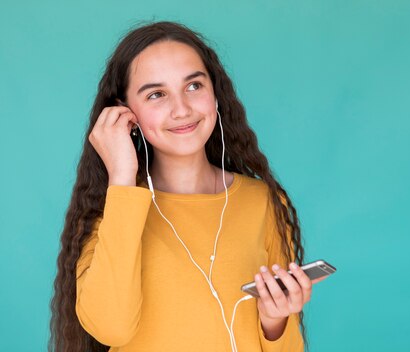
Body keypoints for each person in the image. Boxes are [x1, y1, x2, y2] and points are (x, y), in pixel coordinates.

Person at [49, 21, 326, 352]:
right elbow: (112, 329)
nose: (181, 109)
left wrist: (274, 319)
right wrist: (122, 176)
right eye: (156, 94)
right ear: (125, 114)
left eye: (194, 86)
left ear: (215, 92)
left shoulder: (263, 201)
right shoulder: (111, 211)